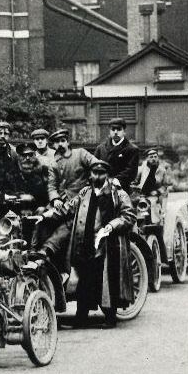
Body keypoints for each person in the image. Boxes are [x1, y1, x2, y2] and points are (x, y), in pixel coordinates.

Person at [47, 160, 136, 329]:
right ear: (90, 175)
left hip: (108, 245)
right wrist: (46, 216)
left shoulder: (118, 193)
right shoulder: (84, 193)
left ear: (107, 175)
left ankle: (110, 318)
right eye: (94, 173)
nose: (97, 176)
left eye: (101, 173)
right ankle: (81, 318)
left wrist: (111, 226)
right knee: (84, 280)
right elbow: (68, 209)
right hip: (85, 243)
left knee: (107, 280)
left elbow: (129, 216)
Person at [48, 129, 96, 202]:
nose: (60, 144)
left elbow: (96, 164)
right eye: (57, 142)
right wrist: (55, 199)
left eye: (63, 140)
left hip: (84, 197)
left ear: (68, 142)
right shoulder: (53, 164)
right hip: (64, 200)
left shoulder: (80, 153)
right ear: (54, 145)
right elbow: (51, 186)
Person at [94, 117, 140, 188]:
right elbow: (94, 167)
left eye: (119, 129)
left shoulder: (132, 149)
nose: (115, 132)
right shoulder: (101, 148)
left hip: (121, 188)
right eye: (113, 129)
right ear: (109, 131)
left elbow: (131, 172)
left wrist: (113, 181)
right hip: (101, 187)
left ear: (124, 131)